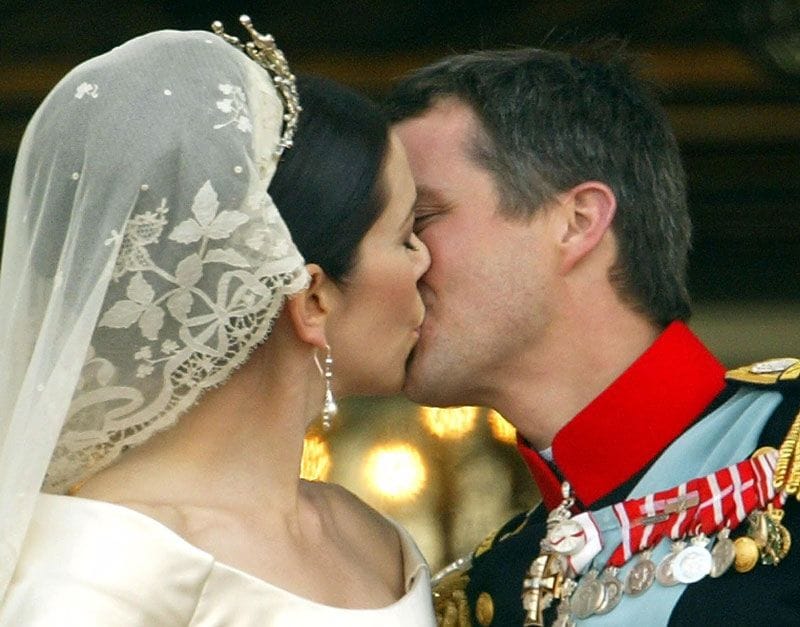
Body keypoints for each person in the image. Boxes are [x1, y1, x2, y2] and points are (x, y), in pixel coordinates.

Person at [0, 17, 436, 625]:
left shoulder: (373, 539)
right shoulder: (95, 577)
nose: (428, 262)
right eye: (407, 234)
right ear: (311, 300)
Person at [385, 45, 800, 626]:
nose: (396, 261)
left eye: (419, 220)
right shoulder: (487, 588)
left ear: (578, 222)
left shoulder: (788, 447)